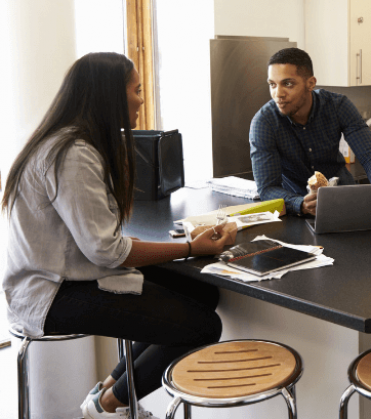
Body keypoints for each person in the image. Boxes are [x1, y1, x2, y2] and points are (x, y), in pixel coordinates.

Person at [1, 52, 237, 419]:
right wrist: (190, 247)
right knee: (205, 326)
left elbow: (102, 241)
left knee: (201, 291)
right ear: (110, 96)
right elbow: (108, 250)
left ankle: (109, 388)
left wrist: (189, 248)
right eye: (137, 90)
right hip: (52, 293)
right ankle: (109, 407)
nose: (142, 99)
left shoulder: (68, 143)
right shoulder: (73, 154)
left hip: (69, 275)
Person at [250, 47, 371, 221]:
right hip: (296, 209)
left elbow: (370, 156)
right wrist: (300, 204)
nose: (278, 94)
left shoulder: (337, 105)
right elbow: (267, 188)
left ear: (311, 83)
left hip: (344, 199)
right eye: (272, 85)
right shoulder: (264, 122)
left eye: (288, 84)